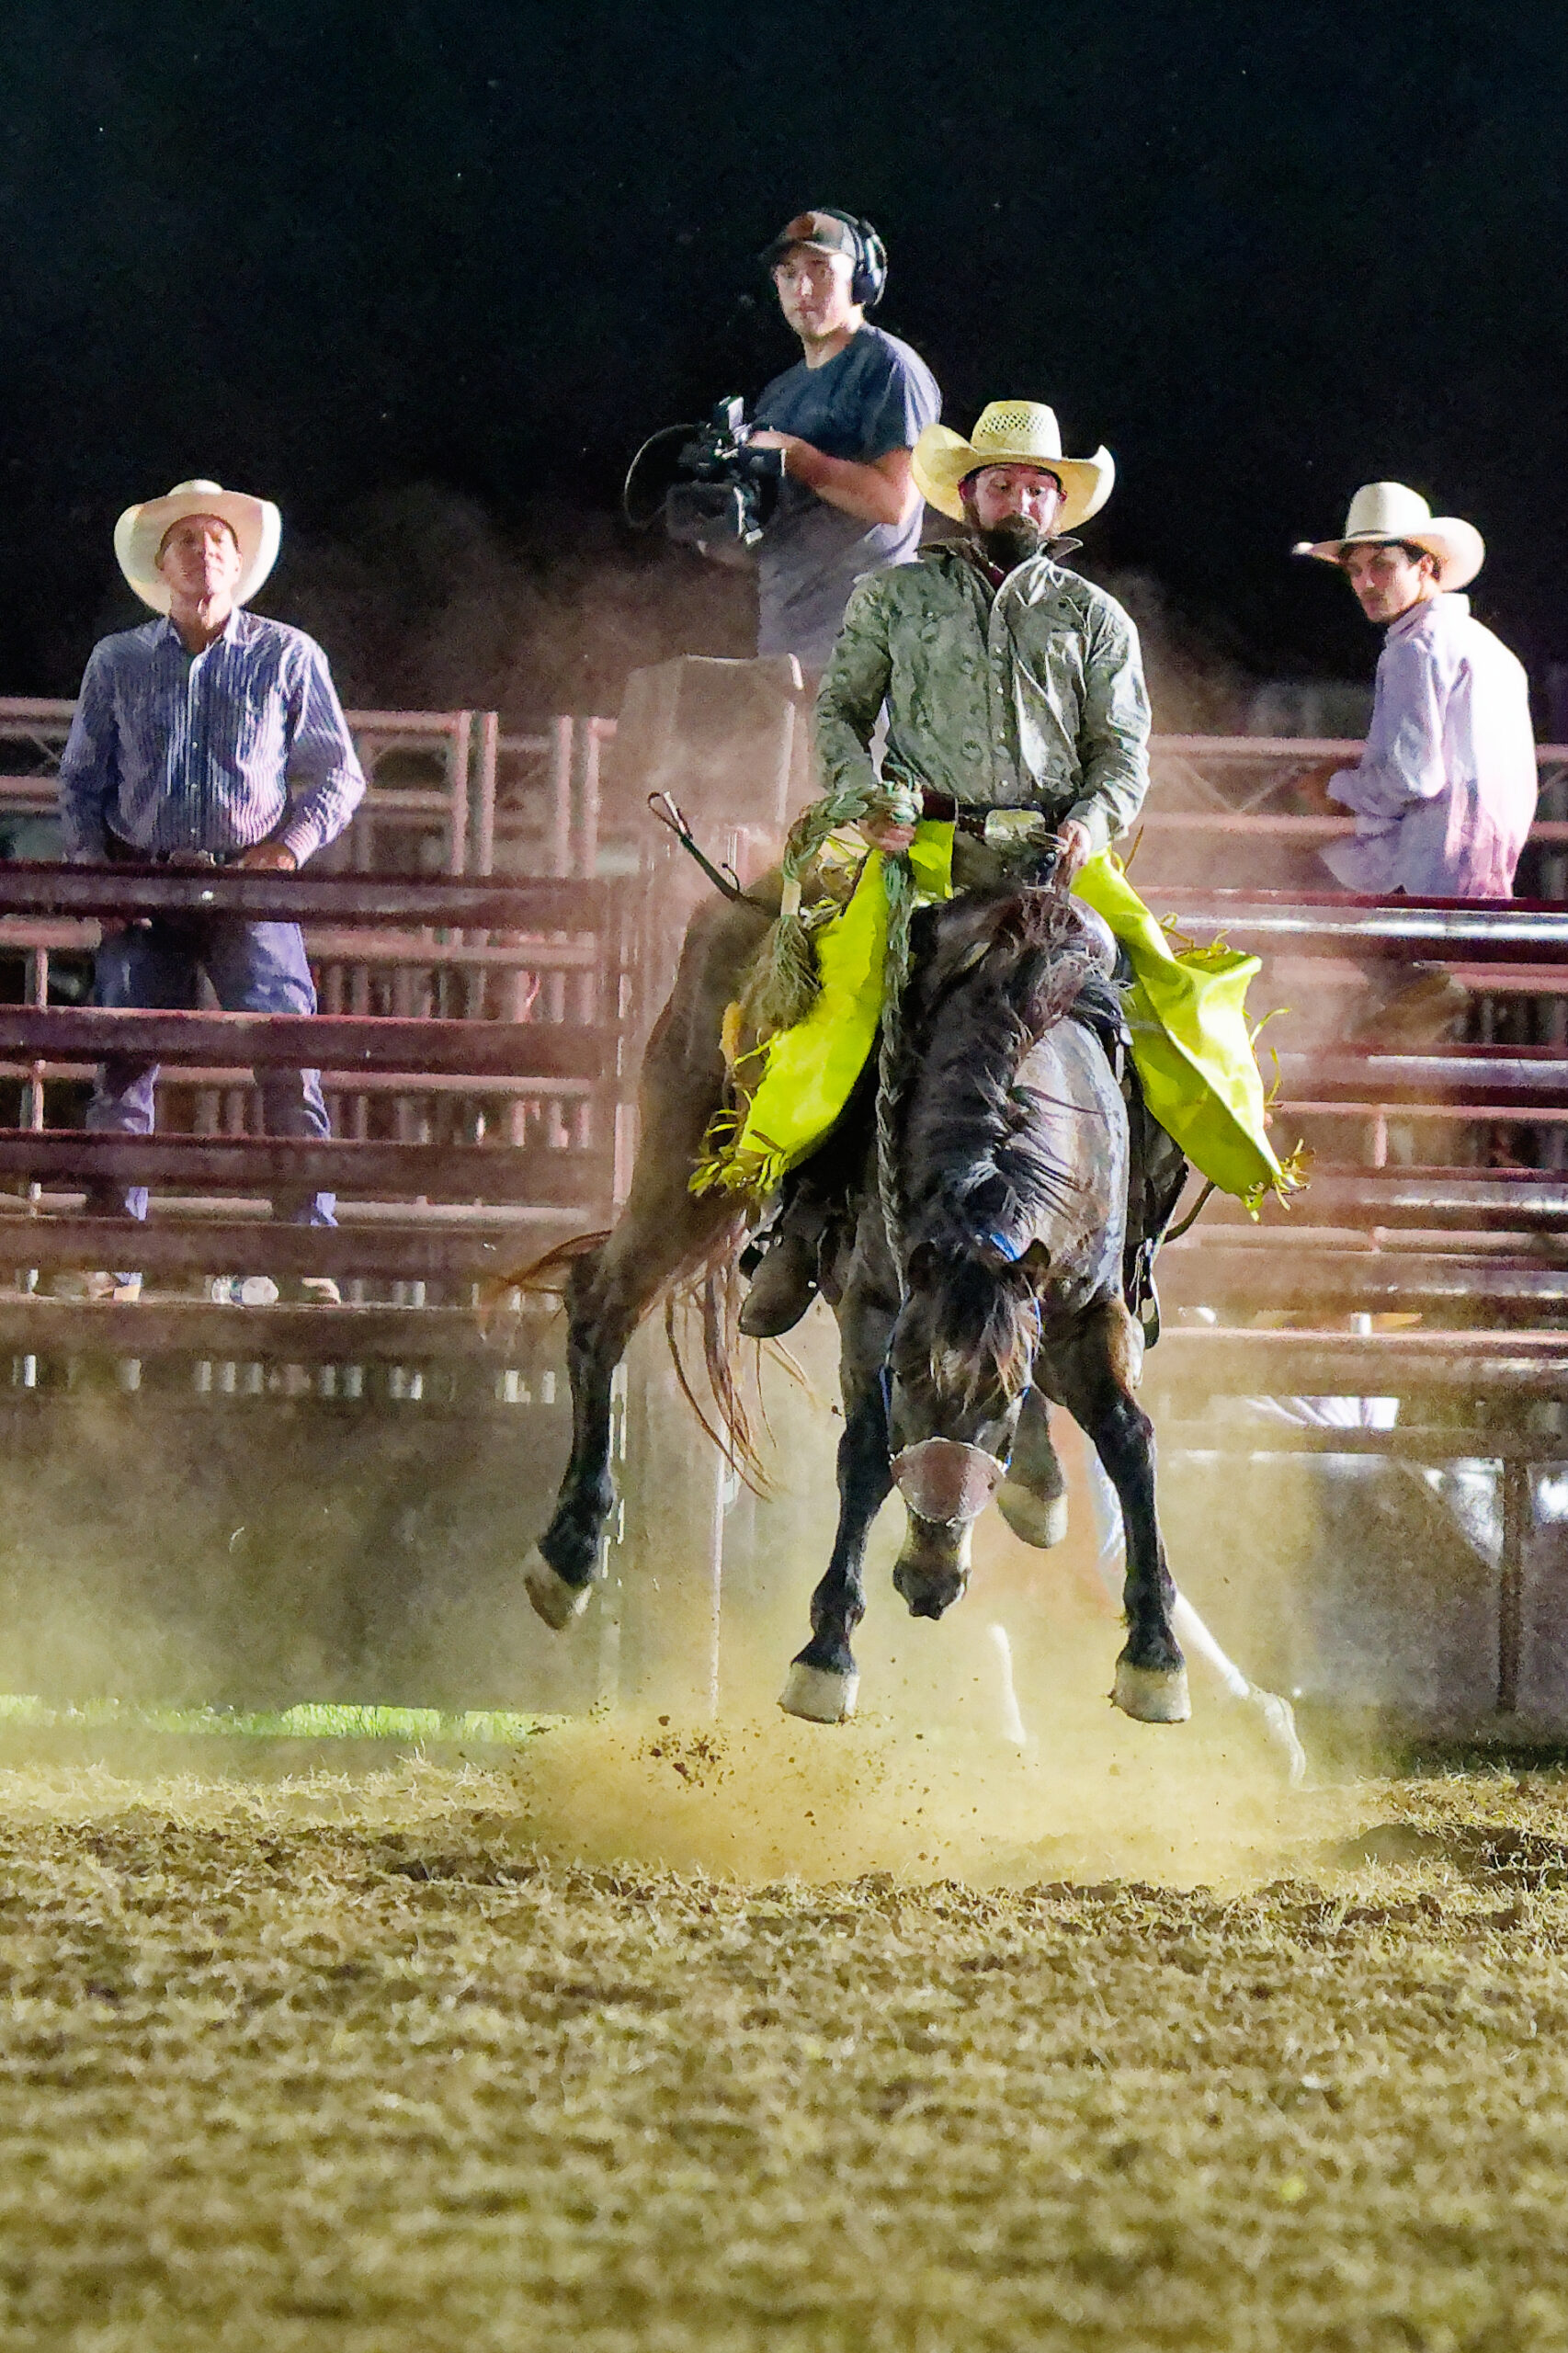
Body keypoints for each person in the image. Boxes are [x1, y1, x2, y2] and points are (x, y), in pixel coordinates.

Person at [739, 399, 1151, 1336]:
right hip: (921, 849)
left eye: (1036, 487)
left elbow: (1119, 755)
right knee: (842, 997)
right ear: (966, 495)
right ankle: (798, 1217)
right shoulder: (892, 597)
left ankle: (1127, 1253)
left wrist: (1089, 824)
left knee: (1159, 1017)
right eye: (1000, 483)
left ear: (1057, 503)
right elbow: (840, 711)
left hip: (1054, 858)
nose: (1019, 499)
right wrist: (861, 798)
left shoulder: (1094, 619)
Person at [58, 477, 366, 1300]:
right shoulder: (116, 662)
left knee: (288, 1056)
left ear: (238, 565)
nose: (206, 554)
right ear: (164, 567)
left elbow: (338, 774)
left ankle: (305, 1255)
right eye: (189, 542)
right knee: (123, 1064)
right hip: (147, 883)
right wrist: (99, 878)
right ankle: (111, 1257)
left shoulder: (287, 654)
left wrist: (288, 849)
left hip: (245, 886)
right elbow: (81, 781)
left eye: (219, 543)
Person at [1293, 481, 1538, 899]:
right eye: (1355, 570)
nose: (1365, 582)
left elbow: (1414, 777)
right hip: (1483, 874)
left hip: (1422, 872)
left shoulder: (1415, 647)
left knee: (1275, 876)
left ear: (1425, 566)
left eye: (1382, 565)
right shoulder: (1487, 647)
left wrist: (1333, 785)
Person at [747, 209, 941, 675]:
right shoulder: (779, 393)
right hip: (782, 646)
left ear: (861, 281)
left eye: (821, 272)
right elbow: (770, 540)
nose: (803, 290)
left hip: (864, 650)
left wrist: (798, 458)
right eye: (788, 274)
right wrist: (714, 522)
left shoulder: (889, 367)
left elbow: (895, 502)